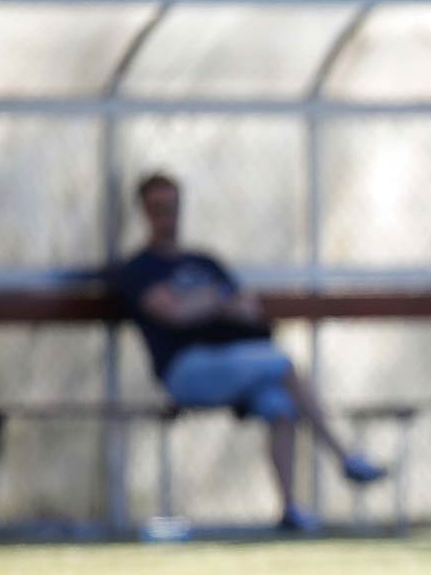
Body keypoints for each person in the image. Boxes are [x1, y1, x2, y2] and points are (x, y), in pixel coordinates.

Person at [111, 171, 386, 533]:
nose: (168, 216)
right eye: (159, 208)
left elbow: (247, 309)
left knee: (280, 405)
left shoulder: (204, 262)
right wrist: (212, 302)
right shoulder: (140, 268)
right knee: (283, 364)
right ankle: (345, 456)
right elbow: (174, 314)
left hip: (235, 363)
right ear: (145, 212)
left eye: (173, 207)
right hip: (186, 371)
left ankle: (289, 510)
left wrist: (203, 304)